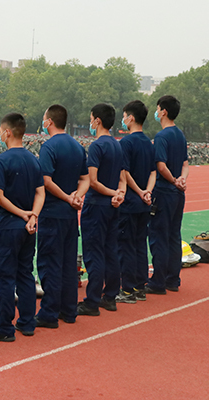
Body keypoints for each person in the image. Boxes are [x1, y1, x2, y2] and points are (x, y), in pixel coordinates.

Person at [0, 113, 45, 341]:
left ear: (8, 132)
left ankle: (4, 326)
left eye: (0, 131)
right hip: (28, 227)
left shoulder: (2, 161)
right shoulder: (33, 159)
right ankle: (27, 322)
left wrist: (22, 214)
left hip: (9, 225)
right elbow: (40, 193)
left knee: (4, 276)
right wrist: (33, 216)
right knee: (25, 273)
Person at [35, 104, 89, 328]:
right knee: (68, 263)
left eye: (44, 118)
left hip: (52, 213)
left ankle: (49, 313)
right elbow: (85, 178)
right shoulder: (77, 147)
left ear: (50, 121)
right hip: (70, 216)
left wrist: (67, 197)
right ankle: (69, 310)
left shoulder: (49, 147)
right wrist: (77, 196)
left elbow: (46, 180)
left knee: (50, 264)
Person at [77, 103, 126, 316]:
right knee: (110, 251)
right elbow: (123, 178)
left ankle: (92, 301)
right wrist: (119, 194)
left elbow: (93, 181)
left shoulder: (97, 146)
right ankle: (110, 296)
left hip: (97, 206)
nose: (90, 123)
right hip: (112, 206)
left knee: (94, 253)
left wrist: (112, 193)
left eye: (91, 119)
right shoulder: (117, 145)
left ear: (97, 121)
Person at [146, 95, 189, 294]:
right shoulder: (180, 135)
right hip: (178, 194)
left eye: (157, 109)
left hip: (164, 192)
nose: (156, 113)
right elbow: (185, 164)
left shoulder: (162, 137)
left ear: (163, 111)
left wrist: (172, 180)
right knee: (173, 235)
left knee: (159, 236)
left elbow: (161, 166)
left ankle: (158, 282)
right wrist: (181, 180)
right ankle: (173, 279)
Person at [115, 100, 156, 304]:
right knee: (140, 244)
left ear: (131, 118)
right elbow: (153, 172)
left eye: (124, 116)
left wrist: (139, 192)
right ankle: (140, 286)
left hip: (130, 202)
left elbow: (124, 172)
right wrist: (147, 192)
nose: (123, 120)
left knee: (126, 246)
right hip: (144, 203)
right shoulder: (148, 143)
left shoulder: (126, 143)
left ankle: (127, 289)